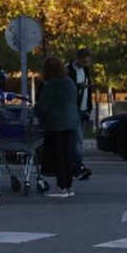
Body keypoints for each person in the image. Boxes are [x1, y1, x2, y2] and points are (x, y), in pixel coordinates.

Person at [35, 56, 79, 198]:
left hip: (55, 123)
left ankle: (61, 187)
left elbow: (42, 107)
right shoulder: (69, 82)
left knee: (58, 155)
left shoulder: (50, 85)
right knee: (67, 154)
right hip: (70, 121)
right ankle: (69, 186)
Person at [67, 48, 95, 181]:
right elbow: (68, 88)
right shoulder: (69, 70)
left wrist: (89, 107)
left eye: (87, 62)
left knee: (78, 139)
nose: (85, 64)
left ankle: (75, 164)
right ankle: (78, 166)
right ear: (78, 58)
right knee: (77, 139)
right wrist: (79, 86)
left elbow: (88, 90)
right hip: (74, 107)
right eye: (83, 62)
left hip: (84, 107)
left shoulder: (85, 70)